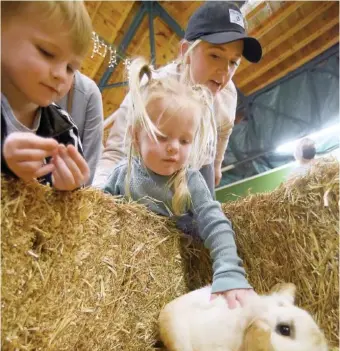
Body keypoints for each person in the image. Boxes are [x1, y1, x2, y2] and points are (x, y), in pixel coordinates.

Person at [102, 58, 255, 309]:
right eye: (161, 137)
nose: (173, 147)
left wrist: (228, 268)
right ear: (136, 136)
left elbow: (215, 222)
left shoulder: (191, 181)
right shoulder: (122, 175)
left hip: (176, 280)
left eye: (184, 141)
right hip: (128, 279)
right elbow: (100, 213)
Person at [93, 1, 262, 195]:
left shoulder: (228, 94)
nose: (225, 70)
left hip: (196, 167)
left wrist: (217, 164)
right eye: (215, 55)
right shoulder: (151, 88)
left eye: (233, 62)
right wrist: (99, 196)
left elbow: (224, 129)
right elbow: (115, 153)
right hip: (149, 179)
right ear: (185, 52)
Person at [1, 1, 92, 190]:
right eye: (47, 53)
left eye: (70, 68)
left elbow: (77, 207)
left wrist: (71, 189)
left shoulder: (66, 131)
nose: (60, 74)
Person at [57, 70, 104, 185]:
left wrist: (81, 191)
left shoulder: (88, 92)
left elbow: (92, 155)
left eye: (69, 68)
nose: (58, 74)